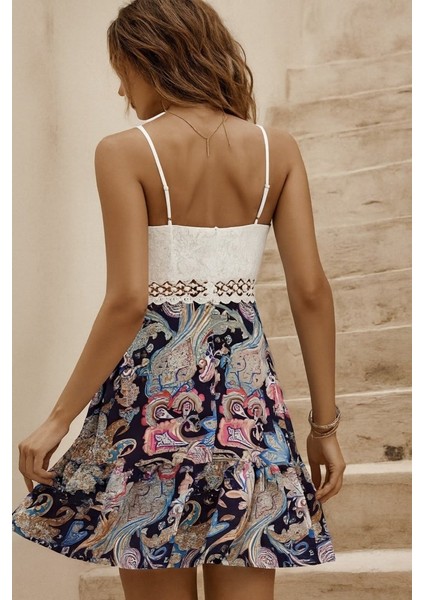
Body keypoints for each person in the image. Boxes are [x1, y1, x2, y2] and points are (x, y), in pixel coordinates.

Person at [12, 1, 346, 599]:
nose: (121, 88)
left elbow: (128, 300)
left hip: (152, 401)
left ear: (151, 60)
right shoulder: (278, 149)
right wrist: (324, 425)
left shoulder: (123, 151)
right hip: (246, 399)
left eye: (123, 71)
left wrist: (59, 418)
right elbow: (312, 292)